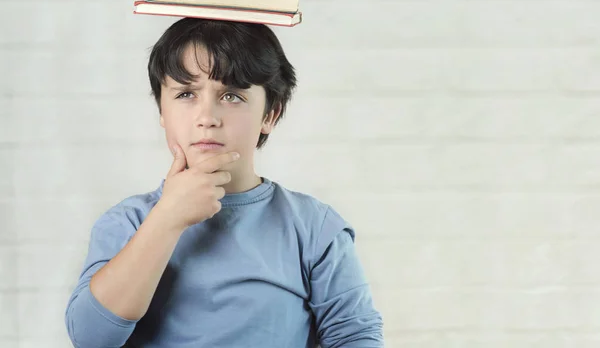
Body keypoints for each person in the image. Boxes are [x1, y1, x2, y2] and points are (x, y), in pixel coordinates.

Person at [64, 17, 384, 347]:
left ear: (269, 115)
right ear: (161, 109)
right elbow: (91, 338)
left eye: (231, 96)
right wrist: (166, 220)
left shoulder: (315, 229)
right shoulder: (126, 223)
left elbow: (355, 336)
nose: (207, 118)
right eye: (186, 93)